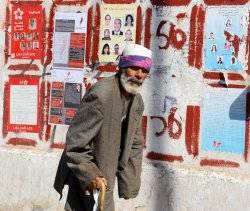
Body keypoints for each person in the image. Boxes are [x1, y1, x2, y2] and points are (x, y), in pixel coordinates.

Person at [54, 44, 152, 211]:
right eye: (134, 68)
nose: (138, 75)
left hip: (108, 170)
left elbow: (134, 142)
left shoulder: (136, 101)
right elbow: (75, 143)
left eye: (143, 71)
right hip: (89, 172)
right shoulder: (101, 95)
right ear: (122, 67)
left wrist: (129, 183)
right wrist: (91, 175)